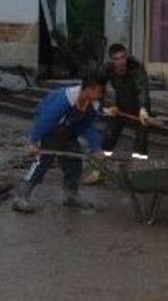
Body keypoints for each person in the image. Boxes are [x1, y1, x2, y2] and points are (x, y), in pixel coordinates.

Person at [12, 74, 106, 214]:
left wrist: (96, 148)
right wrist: (34, 141)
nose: (101, 95)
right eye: (99, 91)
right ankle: (21, 197)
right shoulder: (65, 98)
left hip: (68, 132)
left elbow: (88, 127)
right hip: (49, 129)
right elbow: (45, 119)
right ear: (88, 89)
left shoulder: (92, 104)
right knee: (41, 163)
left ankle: (71, 196)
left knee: (74, 163)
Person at [83, 43, 151, 184]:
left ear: (126, 56)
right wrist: (102, 107)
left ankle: (138, 174)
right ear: (112, 60)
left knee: (141, 141)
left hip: (140, 109)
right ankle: (100, 172)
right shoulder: (107, 69)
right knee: (108, 137)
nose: (120, 62)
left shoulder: (136, 68)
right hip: (120, 108)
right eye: (116, 58)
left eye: (123, 57)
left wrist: (143, 109)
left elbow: (142, 90)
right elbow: (97, 86)